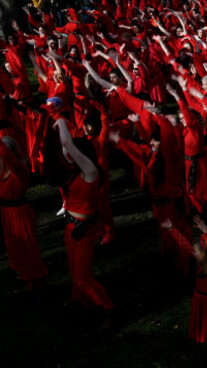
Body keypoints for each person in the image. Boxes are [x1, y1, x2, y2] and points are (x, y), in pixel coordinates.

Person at [53, 116, 114, 317]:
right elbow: (64, 149)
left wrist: (60, 121)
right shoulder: (73, 171)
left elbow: (68, 145)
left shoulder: (90, 172)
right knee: (73, 273)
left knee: (82, 277)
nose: (68, 155)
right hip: (70, 227)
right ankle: (80, 301)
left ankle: (106, 309)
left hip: (84, 231)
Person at [162, 215, 207, 368]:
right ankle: (206, 355)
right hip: (200, 301)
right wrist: (171, 228)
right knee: (204, 332)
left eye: (197, 252)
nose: (194, 254)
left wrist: (206, 231)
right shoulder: (201, 263)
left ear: (205, 254)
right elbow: (185, 245)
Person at [0, 136, 48, 292]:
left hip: (20, 215)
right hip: (7, 216)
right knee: (17, 252)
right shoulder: (1, 172)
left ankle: (39, 287)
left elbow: (9, 159)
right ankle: (30, 285)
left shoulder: (20, 170)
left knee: (29, 252)